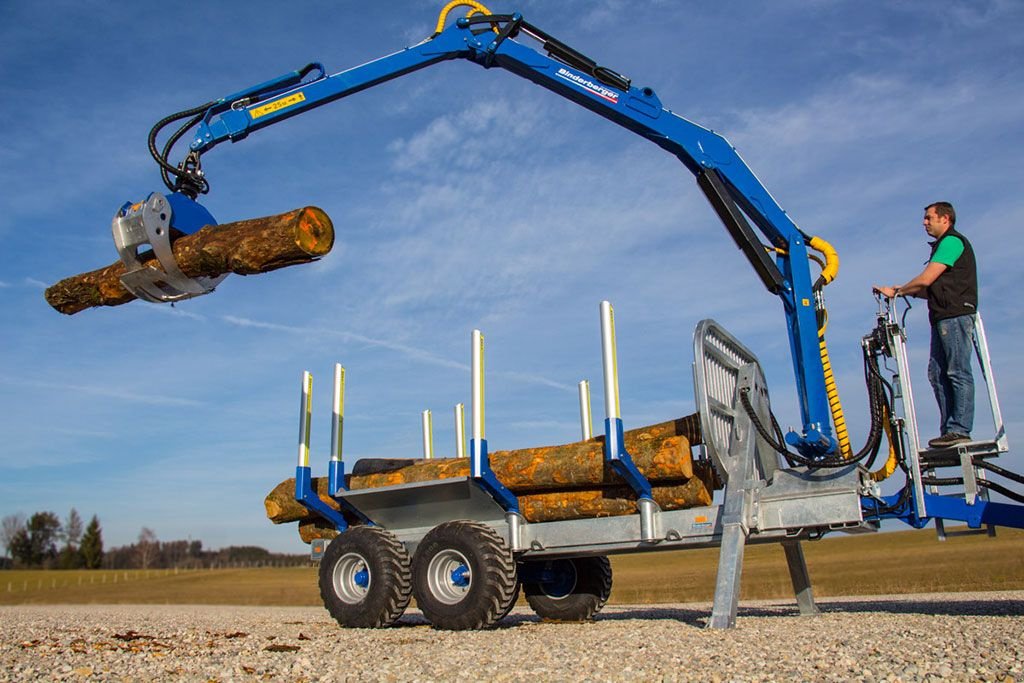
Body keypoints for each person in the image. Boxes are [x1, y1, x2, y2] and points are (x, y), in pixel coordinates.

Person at [873, 201, 977, 449]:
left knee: (956, 370)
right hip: (942, 316)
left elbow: (927, 279)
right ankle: (949, 428)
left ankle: (959, 428)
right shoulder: (942, 247)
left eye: (929, 218)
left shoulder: (952, 242)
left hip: (954, 315)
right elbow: (929, 289)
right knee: (937, 373)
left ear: (945, 219)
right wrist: (900, 291)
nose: (925, 222)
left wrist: (896, 292)